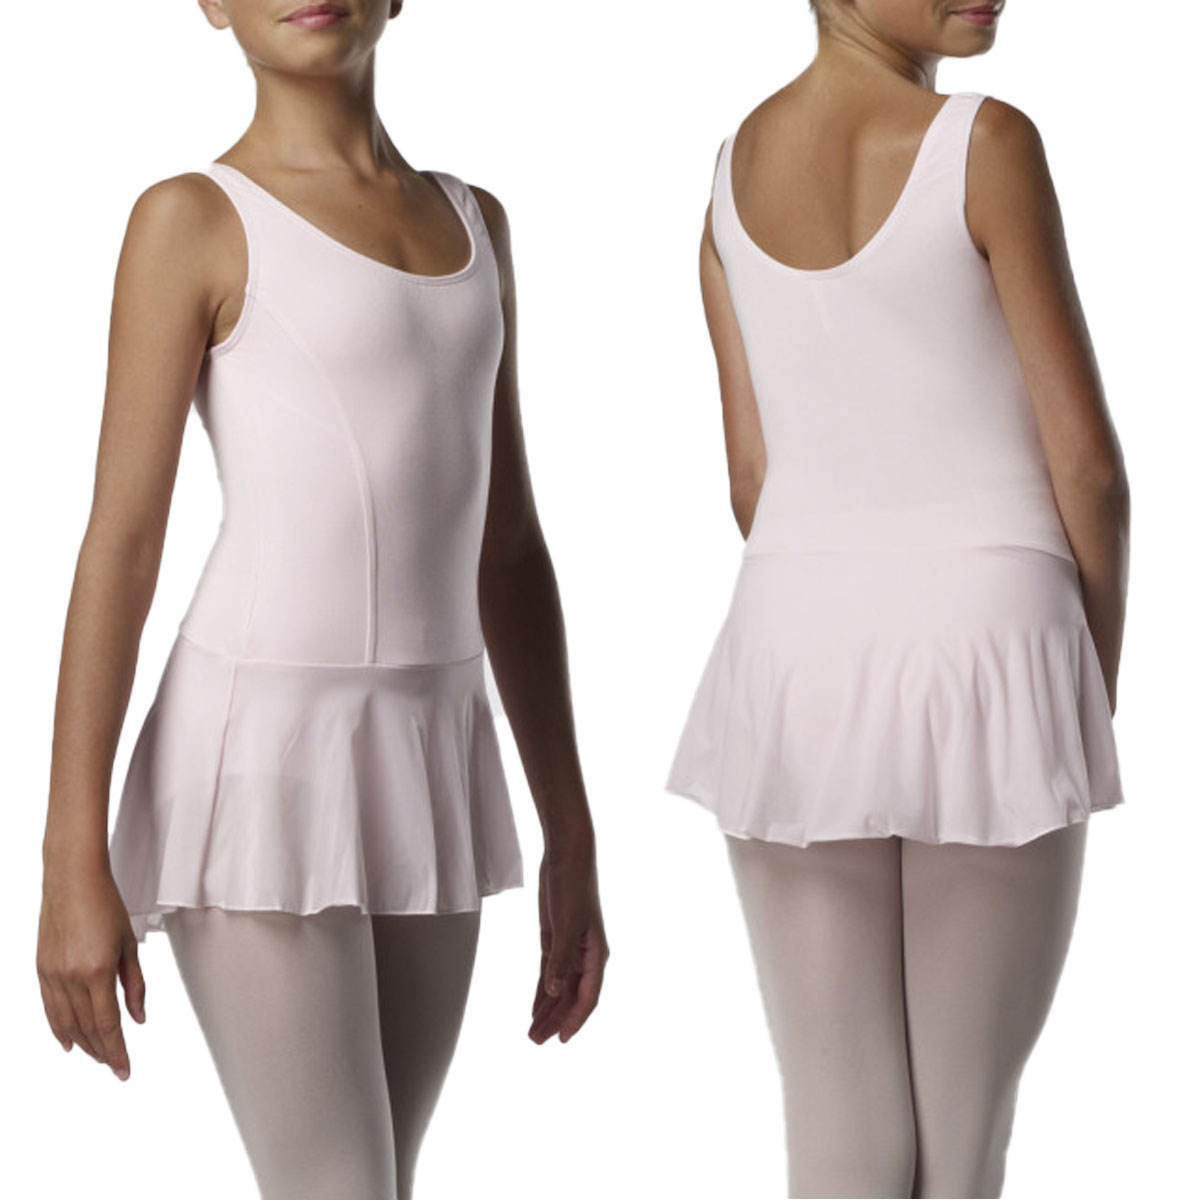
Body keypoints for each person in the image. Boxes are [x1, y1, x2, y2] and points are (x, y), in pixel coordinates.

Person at [37, 2, 608, 1196]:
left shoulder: (476, 223)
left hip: (430, 755)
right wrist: (69, 858)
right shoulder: (192, 220)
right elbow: (121, 546)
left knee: (381, 1181)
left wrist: (571, 830)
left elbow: (508, 549)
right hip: (259, 759)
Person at [666, 2, 1128, 1196]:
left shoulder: (726, 179)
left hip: (792, 643)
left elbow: (752, 478)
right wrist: (1089, 687)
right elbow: (1086, 468)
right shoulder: (985, 141)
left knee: (840, 1133)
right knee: (961, 1143)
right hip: (990, 631)